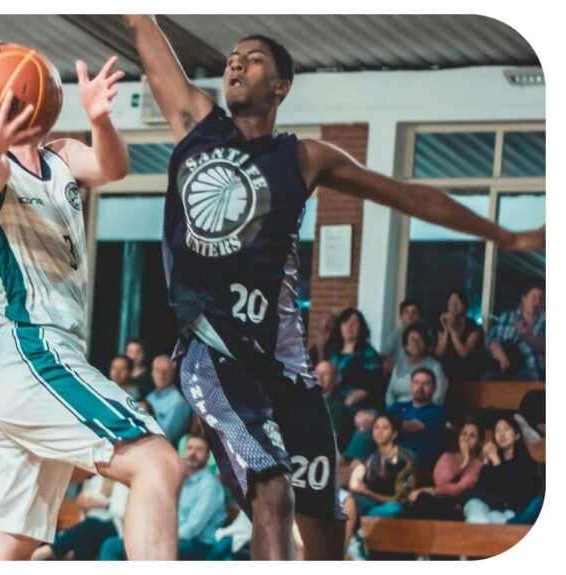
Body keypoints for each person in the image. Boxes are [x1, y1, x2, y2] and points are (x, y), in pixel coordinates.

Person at [124, 14, 544, 560]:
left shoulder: (303, 158)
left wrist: (506, 236)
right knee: (271, 490)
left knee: (324, 530)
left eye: (252, 59)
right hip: (215, 349)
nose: (235, 62)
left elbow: (411, 197)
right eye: (233, 56)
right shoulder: (197, 124)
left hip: (287, 369)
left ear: (281, 87)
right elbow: (140, 22)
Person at [0, 42, 183, 560]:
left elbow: (111, 166)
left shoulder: (60, 156)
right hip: (33, 354)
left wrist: (100, 119)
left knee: (10, 542)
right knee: (157, 463)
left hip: (46, 362)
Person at [98, 433, 227, 560]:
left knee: (117, 547)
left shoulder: (210, 485)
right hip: (172, 536)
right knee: (112, 544)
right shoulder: (180, 479)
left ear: (207, 456)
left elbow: (193, 527)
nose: (192, 453)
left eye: (199, 450)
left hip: (197, 544)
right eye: (189, 448)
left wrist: (161, 538)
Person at [463, 416, 543, 525]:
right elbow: (483, 490)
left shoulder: (526, 463)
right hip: (489, 509)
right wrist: (487, 460)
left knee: (537, 504)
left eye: (506, 429)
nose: (501, 434)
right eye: (497, 431)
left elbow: (513, 492)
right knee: (474, 505)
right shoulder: (492, 458)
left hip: (512, 512)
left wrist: (497, 462)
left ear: (517, 435)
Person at [30, 473, 127, 561]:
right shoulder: (93, 480)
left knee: (90, 528)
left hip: (115, 527)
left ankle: (47, 551)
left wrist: (105, 504)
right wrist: (84, 509)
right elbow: (85, 517)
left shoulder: (124, 482)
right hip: (90, 527)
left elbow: (123, 513)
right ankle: (51, 551)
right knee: (85, 539)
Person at [405, 419, 483, 520]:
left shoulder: (478, 465)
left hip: (457, 504)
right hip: (438, 500)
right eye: (464, 434)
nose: (466, 439)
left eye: (472, 436)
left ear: (479, 442)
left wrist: (433, 490)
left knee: (424, 499)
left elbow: (460, 489)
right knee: (422, 501)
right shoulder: (447, 457)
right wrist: (461, 464)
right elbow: (440, 481)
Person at [348, 412, 415, 519]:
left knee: (394, 509)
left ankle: (364, 524)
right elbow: (362, 490)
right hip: (373, 505)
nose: (379, 432)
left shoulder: (405, 459)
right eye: (376, 427)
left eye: (385, 428)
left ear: (394, 434)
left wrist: (369, 493)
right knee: (349, 501)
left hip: (392, 506)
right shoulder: (371, 458)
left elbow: (401, 500)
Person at [327, 308, 385, 411]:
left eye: (354, 323)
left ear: (361, 327)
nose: (349, 327)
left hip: (358, 402)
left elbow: (374, 383)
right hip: (333, 400)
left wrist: (354, 399)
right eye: (345, 322)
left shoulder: (368, 353)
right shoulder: (332, 351)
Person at [487, 283, 545, 381]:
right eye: (534, 298)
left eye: (541, 299)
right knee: (487, 378)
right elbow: (491, 341)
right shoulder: (507, 317)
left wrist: (528, 336)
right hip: (504, 365)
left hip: (532, 370)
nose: (537, 302)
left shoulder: (545, 321)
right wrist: (501, 356)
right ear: (524, 298)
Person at [388, 367, 446, 468]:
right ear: (411, 386)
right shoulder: (397, 406)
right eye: (416, 383)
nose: (420, 387)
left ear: (434, 388)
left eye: (426, 384)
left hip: (418, 458)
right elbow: (381, 421)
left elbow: (413, 426)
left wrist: (385, 425)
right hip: (392, 453)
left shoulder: (437, 411)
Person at [384, 322, 448, 406]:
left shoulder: (434, 366)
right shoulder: (398, 366)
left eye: (420, 339)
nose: (415, 343)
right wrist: (392, 410)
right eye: (412, 339)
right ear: (405, 346)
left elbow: (438, 397)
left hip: (424, 412)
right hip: (397, 411)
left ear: (426, 344)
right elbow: (389, 393)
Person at [434, 289, 487, 382]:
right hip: (446, 372)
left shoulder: (473, 326)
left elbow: (464, 353)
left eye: (457, 302)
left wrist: (452, 330)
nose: (453, 306)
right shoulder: (443, 325)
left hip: (468, 372)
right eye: (450, 302)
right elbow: (439, 353)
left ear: (465, 305)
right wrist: (446, 328)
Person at [145, 355, 193, 446]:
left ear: (173, 374)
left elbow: (167, 436)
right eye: (158, 370)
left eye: (166, 371)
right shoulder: (149, 397)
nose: (161, 375)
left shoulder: (178, 401)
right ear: (152, 372)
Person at [315, 360, 352, 451]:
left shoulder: (338, 404)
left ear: (335, 379)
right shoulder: (304, 399)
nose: (319, 377)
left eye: (326, 373)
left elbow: (331, 438)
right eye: (317, 373)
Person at [379, 299, 420, 373]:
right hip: (398, 371)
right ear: (401, 316)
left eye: (414, 312)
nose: (410, 316)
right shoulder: (395, 334)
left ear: (418, 316)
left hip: (419, 372)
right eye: (406, 312)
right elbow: (383, 354)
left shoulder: (426, 334)